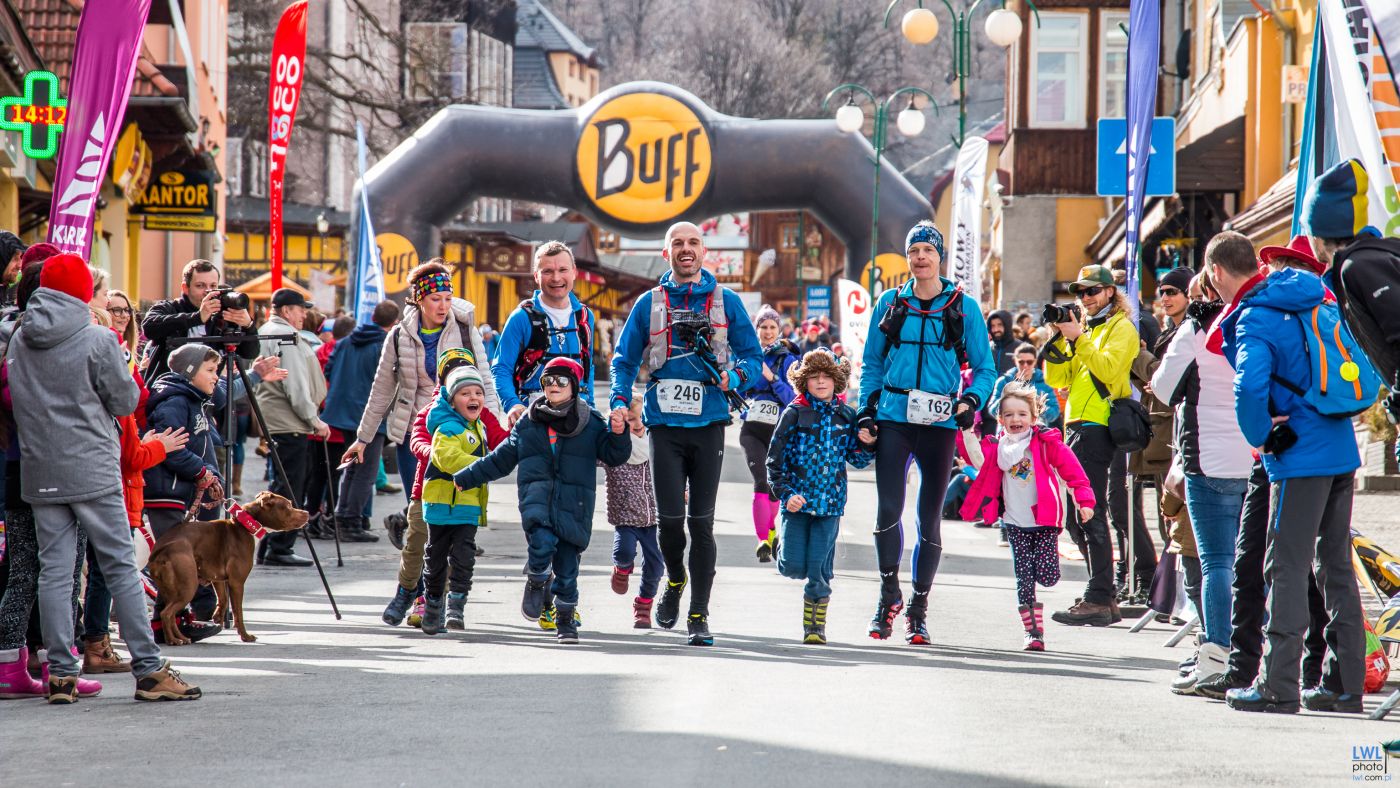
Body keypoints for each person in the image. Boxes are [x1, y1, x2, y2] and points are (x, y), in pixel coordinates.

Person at [8, 253, 199, 703]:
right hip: (92, 467)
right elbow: (125, 398)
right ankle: (150, 671)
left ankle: (60, 675)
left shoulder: (20, 338)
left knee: (54, 573)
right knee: (118, 567)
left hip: (40, 467)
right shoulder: (98, 339)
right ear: (80, 292)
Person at [1208, 226, 1367, 715]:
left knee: (1286, 565)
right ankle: (1344, 685)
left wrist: (1260, 436)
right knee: (1335, 566)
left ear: (1216, 272)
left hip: (1298, 455)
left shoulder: (1257, 315)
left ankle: (1279, 685)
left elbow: (1249, 387)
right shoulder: (1316, 298)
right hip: (1340, 445)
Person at [608, 221, 763, 646]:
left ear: (704, 250)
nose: (686, 249)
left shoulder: (726, 301)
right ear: (667, 253)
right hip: (664, 427)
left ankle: (699, 613)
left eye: (693, 242)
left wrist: (737, 375)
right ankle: (674, 579)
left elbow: (753, 355)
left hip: (710, 424)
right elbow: (623, 359)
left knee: (703, 524)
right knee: (671, 524)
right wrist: (619, 399)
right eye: (678, 243)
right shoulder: (649, 303)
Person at [857, 220, 996, 644]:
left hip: (938, 421)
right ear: (908, 257)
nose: (920, 257)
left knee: (928, 518)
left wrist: (971, 401)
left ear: (939, 257)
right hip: (896, 416)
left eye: (928, 251)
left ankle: (918, 609)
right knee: (887, 511)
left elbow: (986, 368)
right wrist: (867, 411)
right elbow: (872, 364)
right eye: (914, 250)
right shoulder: (889, 302)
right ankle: (888, 598)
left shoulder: (962, 306)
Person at [453, 357, 630, 644]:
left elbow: (614, 455)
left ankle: (565, 620)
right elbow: (500, 459)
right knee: (541, 545)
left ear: (574, 386)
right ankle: (536, 579)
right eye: (548, 381)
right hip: (537, 501)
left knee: (567, 567)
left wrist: (620, 434)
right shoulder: (529, 422)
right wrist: (466, 477)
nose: (553, 386)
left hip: (575, 506)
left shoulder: (591, 423)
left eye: (561, 381)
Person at [339, 261, 498, 540]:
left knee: (454, 499)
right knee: (423, 501)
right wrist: (362, 439)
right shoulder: (398, 336)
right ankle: (420, 566)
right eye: (436, 299)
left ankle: (444, 553)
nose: (443, 306)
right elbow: (382, 389)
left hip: (458, 431)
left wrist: (493, 427)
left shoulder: (464, 331)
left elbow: (484, 381)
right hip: (417, 432)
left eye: (448, 299)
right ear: (420, 299)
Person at [1151, 268, 1253, 694]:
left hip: (1207, 459)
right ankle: (1252, 655)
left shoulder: (1198, 326)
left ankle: (1216, 655)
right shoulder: (1260, 312)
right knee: (1254, 563)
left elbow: (1161, 388)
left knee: (1216, 562)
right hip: (1257, 456)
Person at [961, 383, 1096, 651]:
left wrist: (1084, 500)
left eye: (1022, 414)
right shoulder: (997, 449)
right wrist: (966, 430)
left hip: (1045, 521)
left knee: (1047, 576)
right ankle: (1033, 632)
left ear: (1034, 418)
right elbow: (976, 458)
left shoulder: (1048, 444)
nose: (1015, 420)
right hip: (1014, 522)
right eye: (1008, 415)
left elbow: (1074, 473)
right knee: (1023, 579)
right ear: (999, 419)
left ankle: (1039, 588)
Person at [1042, 264, 1139, 627]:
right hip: (1076, 426)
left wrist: (1078, 338)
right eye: (1081, 293)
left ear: (1110, 292)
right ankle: (1104, 592)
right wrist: (1060, 338)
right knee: (1073, 516)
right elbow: (1058, 377)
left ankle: (1100, 595)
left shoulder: (1121, 328)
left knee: (1088, 512)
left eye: (1092, 292)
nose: (1085, 298)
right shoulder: (1087, 331)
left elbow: (1111, 371)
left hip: (1098, 427)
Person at [382, 347, 507, 629]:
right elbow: (417, 441)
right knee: (417, 546)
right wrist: (438, 453)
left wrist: (520, 436)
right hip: (426, 491)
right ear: (443, 380)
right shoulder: (432, 412)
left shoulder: (481, 414)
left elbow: (502, 441)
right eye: (452, 370)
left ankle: (435, 603)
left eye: (466, 368)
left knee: (455, 552)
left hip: (465, 496)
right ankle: (405, 593)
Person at [765, 349, 876, 645]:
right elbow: (773, 461)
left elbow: (858, 459)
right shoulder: (794, 413)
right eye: (814, 377)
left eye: (826, 376)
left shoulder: (846, 415)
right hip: (796, 504)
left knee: (818, 570)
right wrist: (786, 494)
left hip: (830, 504)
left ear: (837, 380)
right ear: (804, 382)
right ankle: (782, 545)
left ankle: (815, 627)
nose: (821, 381)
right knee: (792, 567)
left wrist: (868, 445)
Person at [255, 288, 329, 567]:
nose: (304, 315)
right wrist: (314, 420)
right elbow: (295, 385)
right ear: (287, 310)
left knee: (284, 483)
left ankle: (270, 544)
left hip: (283, 421)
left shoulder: (274, 331)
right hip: (289, 422)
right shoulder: (284, 336)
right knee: (290, 486)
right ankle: (279, 546)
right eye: (301, 309)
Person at [418, 366, 493, 636]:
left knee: (464, 557)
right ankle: (434, 606)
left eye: (478, 392)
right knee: (435, 558)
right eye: (465, 393)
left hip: (468, 505)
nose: (473, 397)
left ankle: (456, 607)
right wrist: (485, 465)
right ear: (452, 400)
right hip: (441, 504)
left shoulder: (479, 427)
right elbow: (446, 459)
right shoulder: (447, 427)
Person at [491, 241, 596, 427]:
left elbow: (588, 367)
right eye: (547, 271)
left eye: (563, 270)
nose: (556, 278)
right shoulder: (521, 317)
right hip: (533, 414)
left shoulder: (585, 317)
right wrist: (512, 404)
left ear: (574, 272)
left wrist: (592, 409)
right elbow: (501, 368)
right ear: (536, 276)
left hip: (578, 415)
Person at [317, 300, 398, 541]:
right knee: (365, 471)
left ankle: (343, 516)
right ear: (394, 323)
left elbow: (329, 371)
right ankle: (350, 521)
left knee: (351, 468)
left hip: (342, 411)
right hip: (366, 414)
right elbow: (388, 384)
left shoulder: (344, 342)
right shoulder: (384, 346)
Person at [741, 305, 799, 562]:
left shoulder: (788, 360)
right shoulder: (748, 357)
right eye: (762, 327)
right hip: (752, 428)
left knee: (773, 486)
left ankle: (771, 529)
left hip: (779, 430)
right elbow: (739, 391)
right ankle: (763, 539)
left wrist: (772, 378)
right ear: (757, 329)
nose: (767, 331)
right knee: (760, 481)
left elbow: (793, 398)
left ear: (779, 330)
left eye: (772, 327)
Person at [140, 259, 256, 382]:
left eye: (213, 286)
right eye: (200, 286)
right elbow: (149, 327)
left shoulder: (221, 315)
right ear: (185, 287)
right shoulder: (170, 308)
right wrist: (197, 317)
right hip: (170, 390)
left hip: (210, 393)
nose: (207, 292)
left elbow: (249, 353)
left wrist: (248, 326)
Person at [604, 397, 662, 629]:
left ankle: (644, 605)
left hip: (655, 517)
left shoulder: (657, 444)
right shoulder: (615, 446)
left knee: (656, 566)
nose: (637, 424)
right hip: (625, 515)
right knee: (624, 552)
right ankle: (622, 568)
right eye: (630, 420)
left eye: (640, 418)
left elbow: (674, 471)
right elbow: (592, 456)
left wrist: (684, 490)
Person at [987, 343, 1060, 429]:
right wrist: (1010, 393)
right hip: (1007, 434)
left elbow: (1054, 414)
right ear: (1015, 361)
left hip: (1035, 435)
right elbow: (992, 410)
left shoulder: (1045, 382)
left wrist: (1037, 403)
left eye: (1029, 362)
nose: (1025, 365)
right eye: (1021, 362)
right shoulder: (1003, 381)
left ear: (1035, 361)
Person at [106, 289, 139, 371]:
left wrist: (143, 369)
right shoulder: (102, 347)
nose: (125, 315)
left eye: (127, 310)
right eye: (117, 310)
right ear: (104, 313)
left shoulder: (128, 348)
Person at [986, 309, 1017, 376]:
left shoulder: (1021, 348)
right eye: (993, 326)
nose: (996, 329)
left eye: (999, 325)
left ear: (1007, 325)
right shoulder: (987, 348)